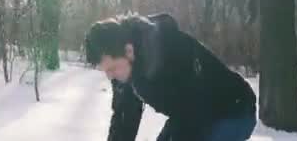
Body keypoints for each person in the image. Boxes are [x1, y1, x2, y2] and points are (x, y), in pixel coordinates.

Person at [85, 13, 256, 141]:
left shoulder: (169, 54)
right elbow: (124, 119)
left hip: (233, 112)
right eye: (106, 71)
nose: (110, 76)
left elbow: (193, 116)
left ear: (129, 50)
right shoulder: (126, 63)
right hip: (187, 113)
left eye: (113, 69)